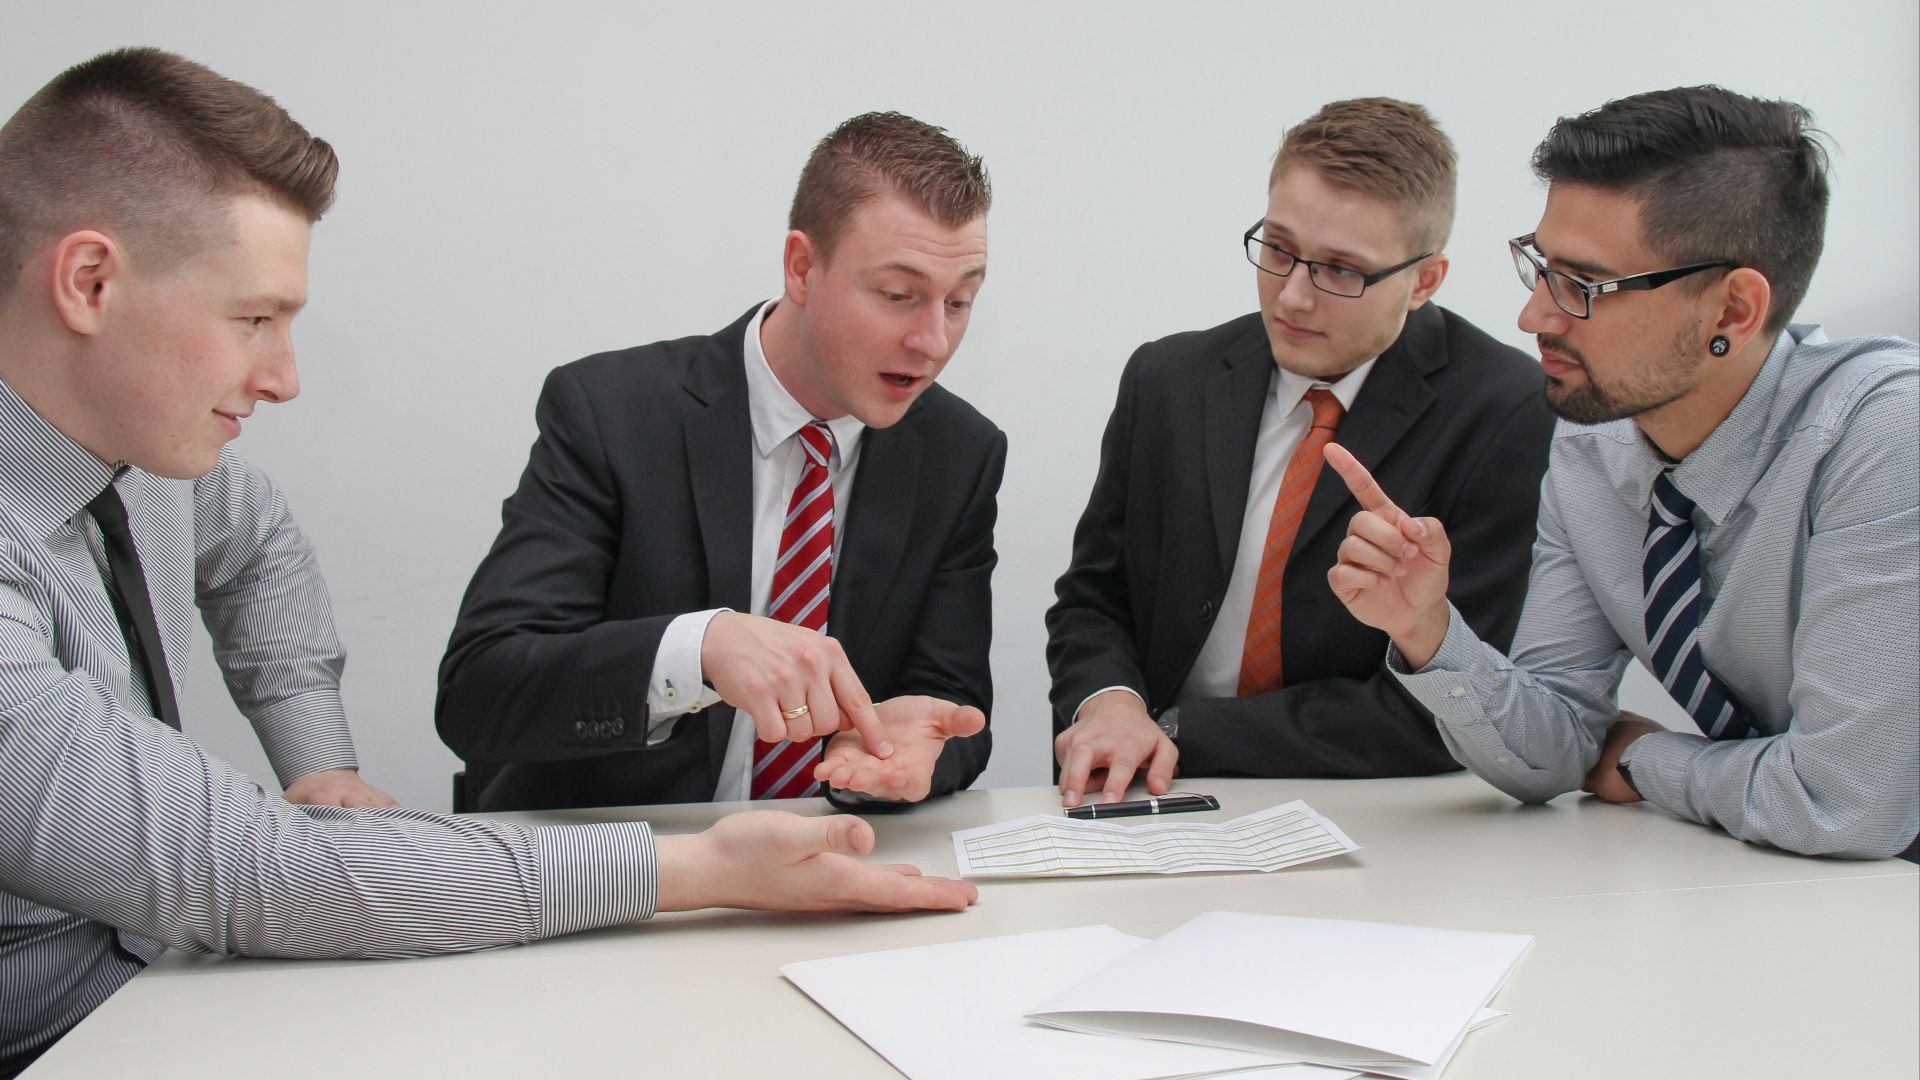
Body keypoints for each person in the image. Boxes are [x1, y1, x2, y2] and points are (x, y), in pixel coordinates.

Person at [0, 48, 976, 1076]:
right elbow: (244, 866)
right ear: (90, 281)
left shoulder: (153, 457)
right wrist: (690, 866)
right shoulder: (611, 410)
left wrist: (319, 762)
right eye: (253, 319)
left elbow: (260, 556)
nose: (284, 378)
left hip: (161, 983)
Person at [1326, 85, 1918, 860]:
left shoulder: (1883, 437)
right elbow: (1555, 750)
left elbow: (1842, 805)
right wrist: (1429, 631)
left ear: (1733, 313)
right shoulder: (1593, 445)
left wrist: (1644, 760)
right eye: (1539, 268)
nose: (1534, 317)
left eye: (1582, 287)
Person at [438, 112, 1003, 812]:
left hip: (829, 866)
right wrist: (696, 649)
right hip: (620, 871)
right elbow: (480, 690)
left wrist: (920, 753)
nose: (933, 340)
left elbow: (953, 707)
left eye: (960, 301)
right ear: (802, 266)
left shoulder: (959, 453)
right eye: (898, 296)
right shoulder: (613, 412)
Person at [1045, 98, 1553, 808]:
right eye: (1278, 248)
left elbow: (1451, 704)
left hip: (1380, 813)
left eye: (1341, 271)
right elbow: (1093, 600)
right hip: (1148, 797)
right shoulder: (1169, 379)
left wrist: (1180, 730)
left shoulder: (1507, 411)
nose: (1291, 296)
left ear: (1425, 281)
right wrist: (1109, 704)